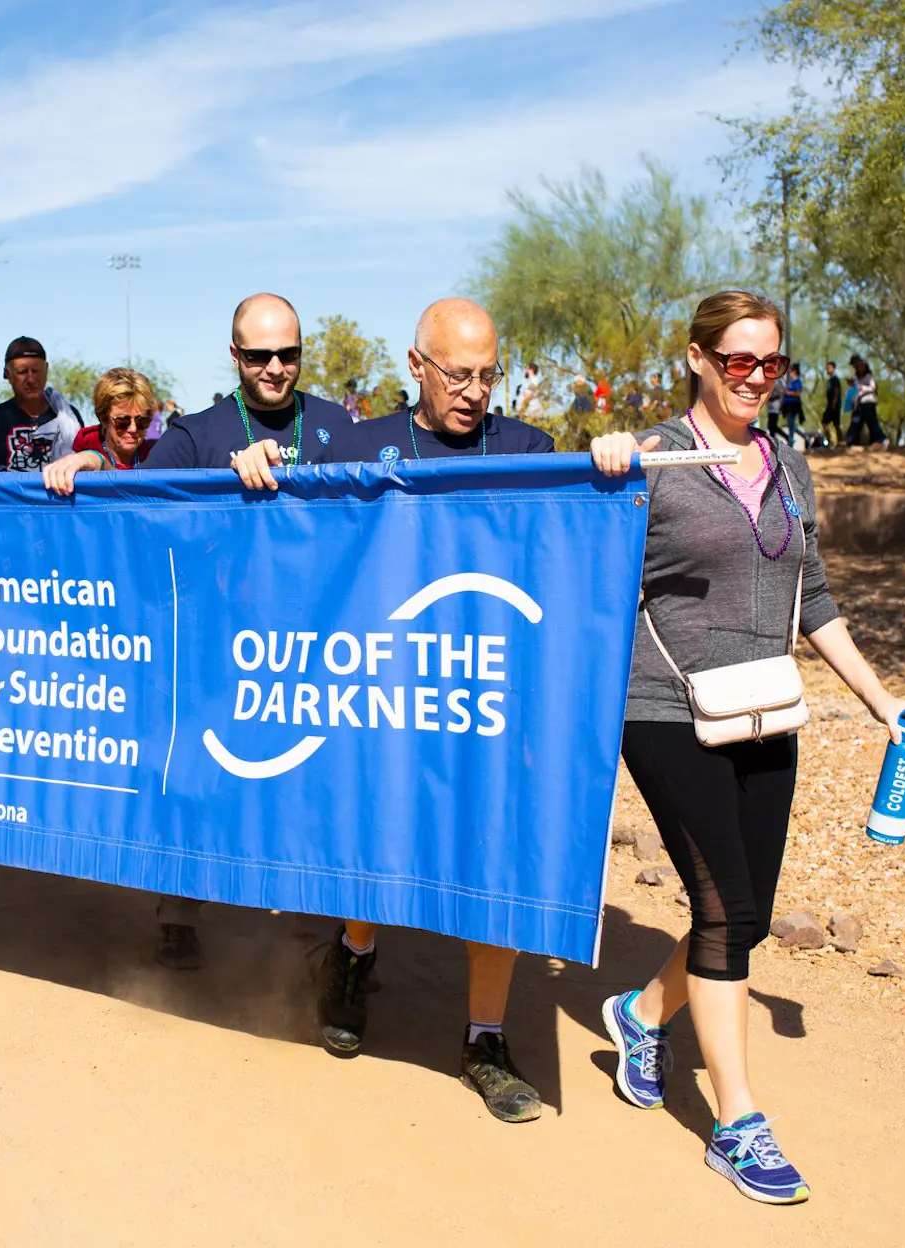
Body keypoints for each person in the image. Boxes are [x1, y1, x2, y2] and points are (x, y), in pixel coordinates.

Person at [589, 289, 905, 1205]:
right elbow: (581, 570)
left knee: (740, 915)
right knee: (725, 906)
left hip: (763, 708)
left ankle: (637, 1015)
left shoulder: (788, 462)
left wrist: (880, 701)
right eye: (737, 360)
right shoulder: (653, 458)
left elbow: (811, 595)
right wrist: (605, 469)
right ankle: (738, 1123)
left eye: (771, 364)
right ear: (698, 358)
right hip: (664, 706)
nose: (755, 378)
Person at [274, 298, 557, 1124]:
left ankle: (485, 1040)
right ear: (416, 367)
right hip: (388, 693)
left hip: (492, 693)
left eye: (486, 374)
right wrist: (258, 472)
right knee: (377, 842)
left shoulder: (530, 451)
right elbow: (303, 542)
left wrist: (611, 461)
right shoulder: (362, 447)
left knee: (494, 860)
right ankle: (354, 957)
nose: (473, 391)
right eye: (457, 373)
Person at [44, 292, 354, 970]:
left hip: (315, 648)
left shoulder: (336, 424)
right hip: (214, 648)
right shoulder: (198, 432)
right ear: (235, 354)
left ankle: (321, 955)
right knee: (193, 779)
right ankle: (178, 913)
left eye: (288, 353)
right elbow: (140, 503)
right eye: (260, 355)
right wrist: (95, 463)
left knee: (309, 790)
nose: (275, 367)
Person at [0, 336, 86, 470]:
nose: (31, 379)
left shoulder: (68, 417)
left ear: (46, 370)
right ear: (7, 374)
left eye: (36, 371)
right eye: (22, 372)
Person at [67, 368, 159, 469]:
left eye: (141, 421)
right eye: (123, 421)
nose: (133, 429)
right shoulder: (83, 459)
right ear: (104, 419)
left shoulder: (155, 455)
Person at [845, 356, 885, 447]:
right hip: (859, 404)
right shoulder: (856, 378)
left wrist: (862, 388)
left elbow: (873, 388)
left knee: (872, 422)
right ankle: (851, 442)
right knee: (856, 423)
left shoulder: (869, 377)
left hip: (868, 402)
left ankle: (880, 440)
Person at [779, 362, 804, 443]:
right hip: (788, 407)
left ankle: (791, 442)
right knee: (791, 425)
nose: (789, 373)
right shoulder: (790, 382)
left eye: (791, 371)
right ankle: (805, 437)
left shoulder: (797, 381)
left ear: (795, 372)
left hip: (793, 406)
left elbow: (797, 393)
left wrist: (788, 392)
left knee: (791, 425)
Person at [820, 361, 843, 448]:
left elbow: (836, 392)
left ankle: (840, 442)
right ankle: (829, 442)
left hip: (834, 406)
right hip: (829, 405)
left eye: (829, 367)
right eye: (827, 367)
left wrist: (834, 404)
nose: (828, 369)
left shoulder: (835, 379)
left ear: (834, 368)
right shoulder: (829, 380)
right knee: (824, 423)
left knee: (836, 424)